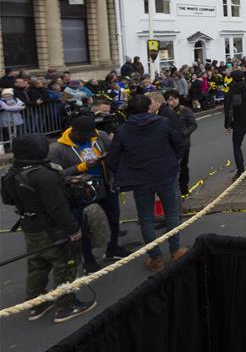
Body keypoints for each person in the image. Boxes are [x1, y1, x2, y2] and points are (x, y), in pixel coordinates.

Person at [4, 134, 97, 322]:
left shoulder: (10, 173)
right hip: (52, 228)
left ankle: (36, 303)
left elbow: (7, 199)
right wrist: (73, 229)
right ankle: (67, 305)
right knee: (65, 264)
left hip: (30, 226)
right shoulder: (44, 175)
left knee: (37, 265)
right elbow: (58, 208)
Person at [106, 94, 185, 271]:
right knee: (172, 212)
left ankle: (156, 258)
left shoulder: (123, 130)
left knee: (146, 218)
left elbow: (112, 158)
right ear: (149, 107)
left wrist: (126, 170)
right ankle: (175, 250)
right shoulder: (162, 122)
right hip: (165, 174)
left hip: (140, 179)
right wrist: (174, 159)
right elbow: (179, 142)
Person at [47, 116, 129, 272]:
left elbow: (114, 153)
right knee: (82, 226)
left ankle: (113, 248)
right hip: (79, 191)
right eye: (87, 135)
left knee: (114, 217)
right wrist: (81, 167)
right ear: (76, 132)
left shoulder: (100, 136)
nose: (92, 136)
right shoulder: (57, 149)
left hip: (104, 184)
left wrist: (109, 160)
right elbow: (56, 176)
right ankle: (88, 260)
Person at [158, 90, 198, 196]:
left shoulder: (185, 110)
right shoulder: (164, 112)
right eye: (170, 99)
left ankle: (184, 189)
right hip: (169, 144)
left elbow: (193, 125)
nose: (173, 101)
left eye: (174, 98)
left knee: (183, 167)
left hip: (183, 144)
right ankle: (174, 191)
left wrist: (182, 134)